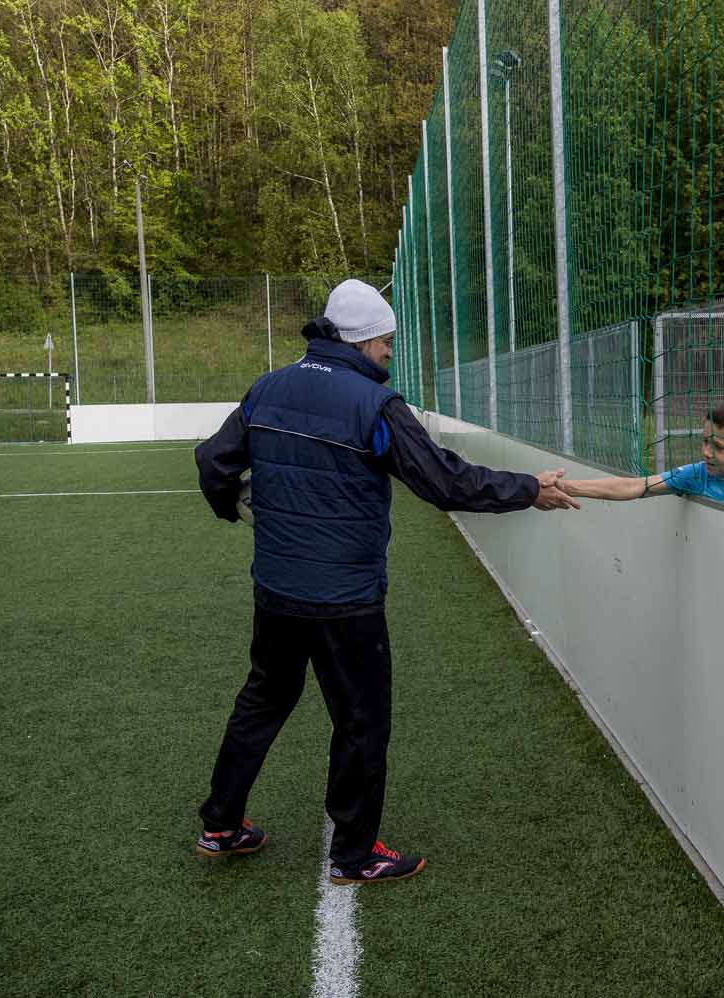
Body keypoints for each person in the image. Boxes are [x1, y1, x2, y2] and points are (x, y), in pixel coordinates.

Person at [192, 278, 578, 884]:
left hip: (277, 590)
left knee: (262, 700)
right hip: (345, 600)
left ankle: (219, 824)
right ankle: (353, 854)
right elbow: (446, 482)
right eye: (389, 343)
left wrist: (234, 504)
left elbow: (213, 462)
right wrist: (531, 490)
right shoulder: (376, 406)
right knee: (361, 720)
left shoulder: (267, 388)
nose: (391, 353)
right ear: (366, 340)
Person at [561, 397, 724, 524]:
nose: (706, 452)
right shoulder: (697, 476)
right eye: (705, 441)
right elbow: (635, 486)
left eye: (719, 448)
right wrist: (567, 487)